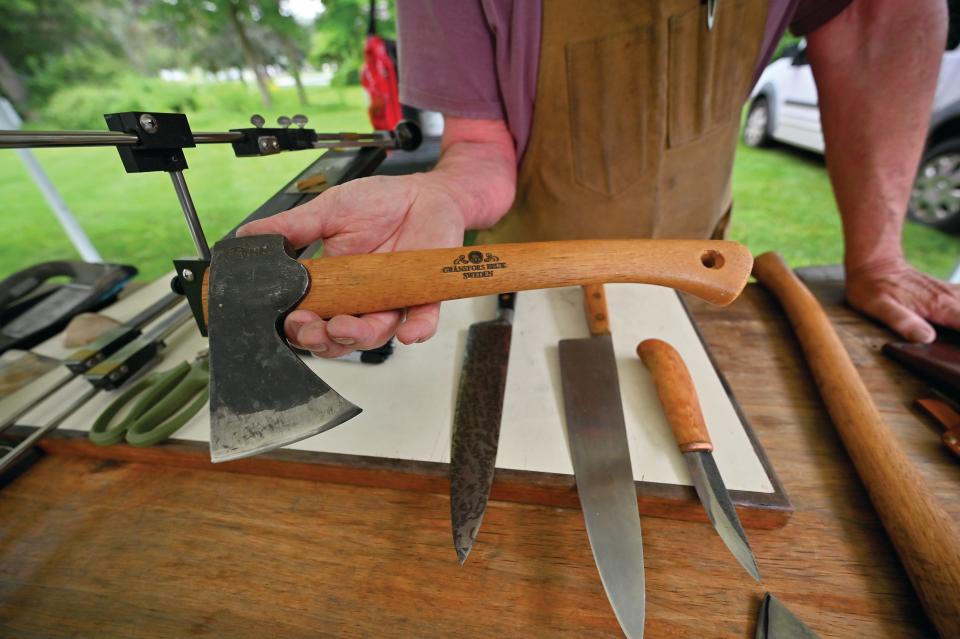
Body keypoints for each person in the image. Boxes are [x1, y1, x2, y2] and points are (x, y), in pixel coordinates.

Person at [239, 0, 960, 359]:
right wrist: (446, 191)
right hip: (516, 286)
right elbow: (479, 144)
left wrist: (877, 252)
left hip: (695, 264)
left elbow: (877, 15)